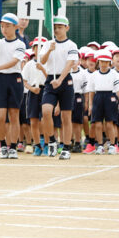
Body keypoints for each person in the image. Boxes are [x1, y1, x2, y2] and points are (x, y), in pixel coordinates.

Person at [0, 13, 26, 159]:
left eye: (8, 26)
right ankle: (3, 145)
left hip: (15, 79)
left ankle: (13, 147)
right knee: (0, 116)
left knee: (14, 115)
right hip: (1, 80)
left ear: (16, 27)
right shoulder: (0, 42)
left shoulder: (20, 44)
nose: (4, 29)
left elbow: (15, 61)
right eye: (2, 26)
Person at [38, 16, 79, 160]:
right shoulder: (48, 43)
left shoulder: (71, 45)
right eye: (55, 27)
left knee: (66, 116)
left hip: (65, 79)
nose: (57, 30)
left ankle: (66, 147)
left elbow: (69, 64)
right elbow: (42, 61)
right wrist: (49, 50)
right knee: (46, 111)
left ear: (67, 28)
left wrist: (60, 80)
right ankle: (52, 141)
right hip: (50, 79)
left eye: (60, 27)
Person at [87, 49, 119, 155]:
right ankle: (99, 145)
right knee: (97, 123)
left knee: (110, 123)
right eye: (101, 61)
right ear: (98, 62)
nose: (103, 64)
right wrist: (90, 105)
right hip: (98, 97)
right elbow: (91, 91)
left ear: (109, 62)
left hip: (110, 98)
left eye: (106, 61)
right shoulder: (94, 75)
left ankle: (113, 145)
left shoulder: (114, 74)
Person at [21, 39, 47, 156]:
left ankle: (46, 143)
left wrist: (42, 69)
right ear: (33, 49)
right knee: (33, 120)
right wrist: (32, 89)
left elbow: (50, 78)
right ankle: (36, 145)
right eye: (37, 47)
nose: (39, 50)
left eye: (42, 47)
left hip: (45, 91)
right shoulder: (29, 64)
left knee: (45, 119)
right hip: (33, 92)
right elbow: (24, 81)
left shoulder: (48, 63)